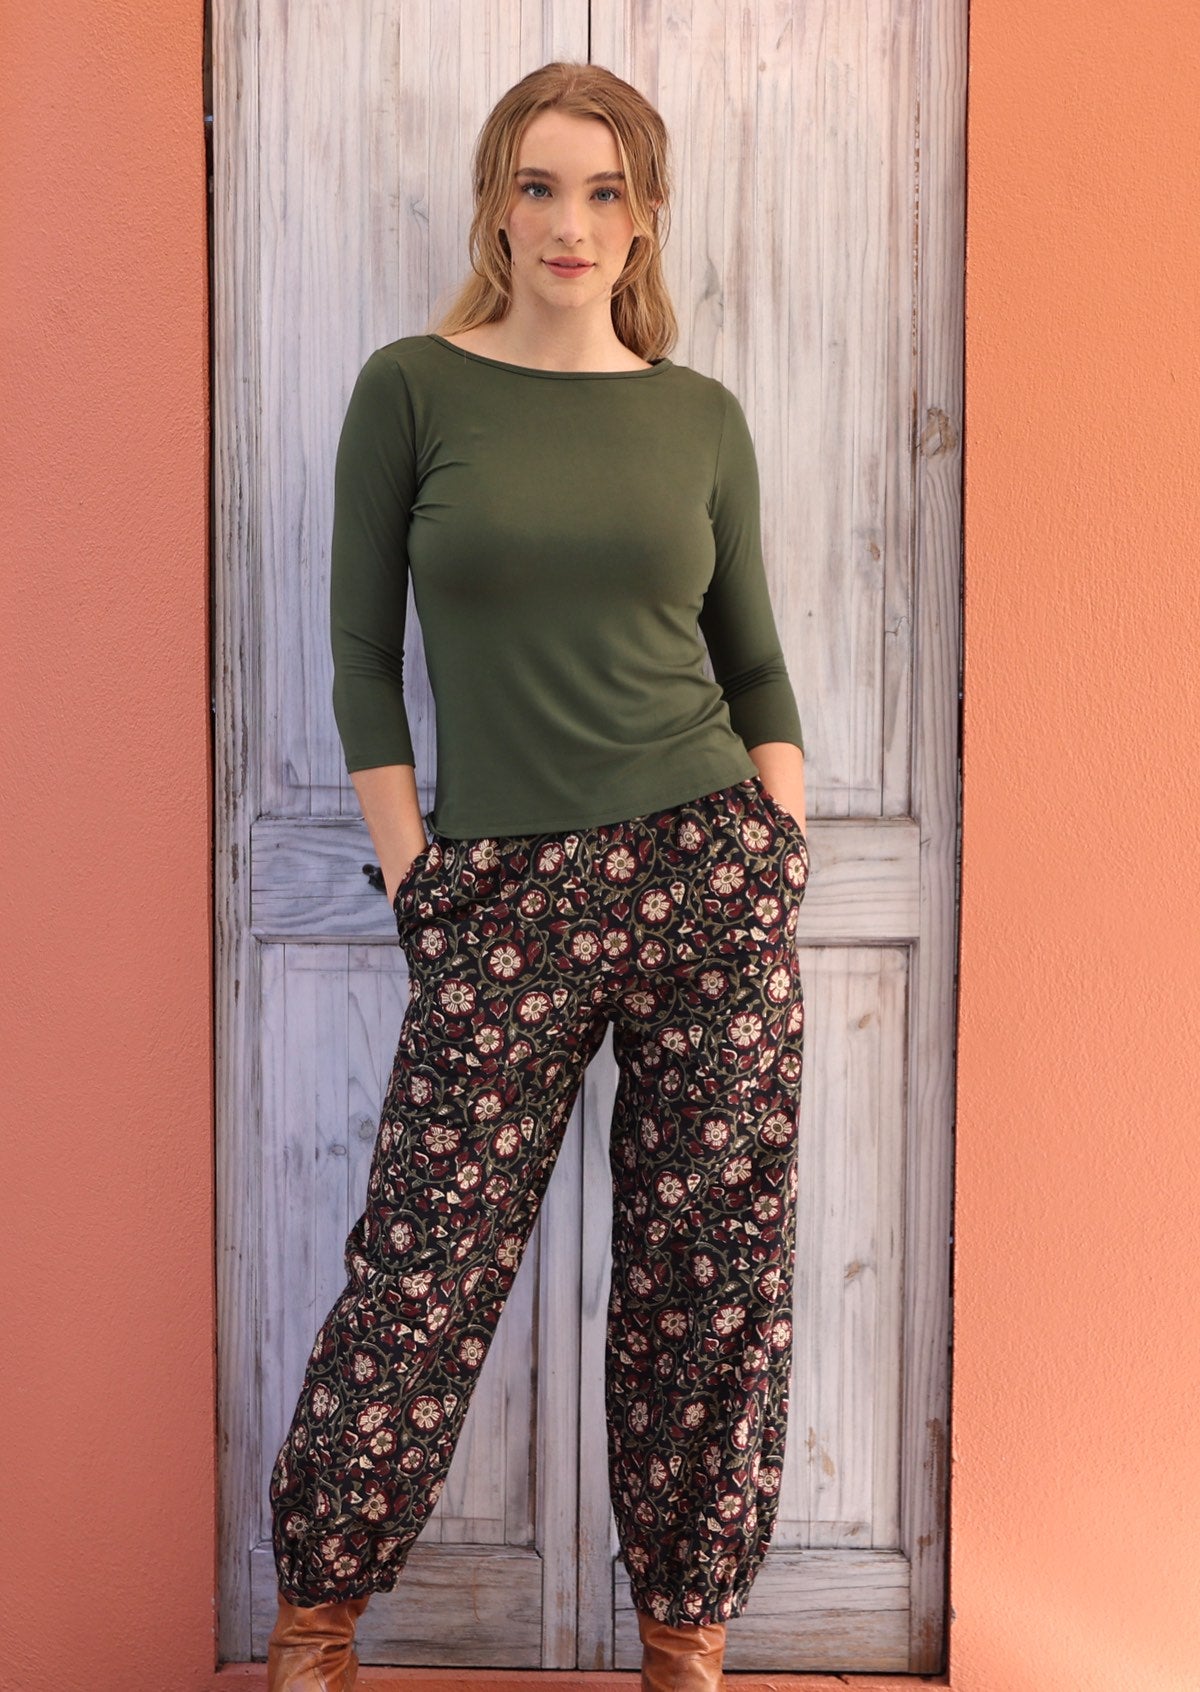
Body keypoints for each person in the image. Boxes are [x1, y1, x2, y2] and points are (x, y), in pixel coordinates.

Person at [265, 60, 810, 1692]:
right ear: (499, 197)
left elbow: (757, 660)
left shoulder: (698, 414)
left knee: (710, 1284)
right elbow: (365, 658)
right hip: (497, 898)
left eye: (606, 191)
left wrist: (776, 841)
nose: (570, 223)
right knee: (421, 1271)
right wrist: (417, 876)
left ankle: (686, 1646)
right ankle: (314, 1631)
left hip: (709, 873)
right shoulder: (412, 388)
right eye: (541, 185)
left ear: (642, 217)